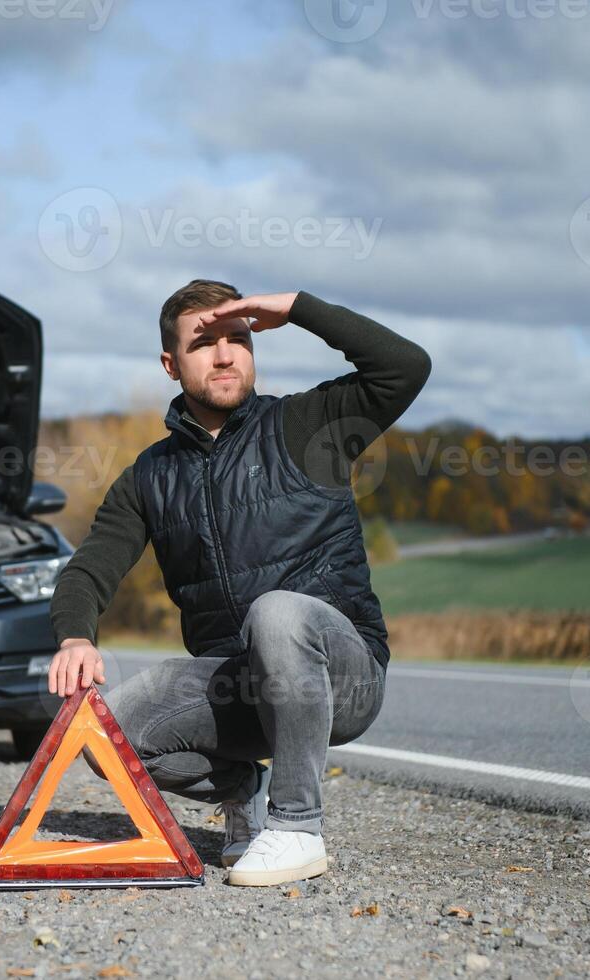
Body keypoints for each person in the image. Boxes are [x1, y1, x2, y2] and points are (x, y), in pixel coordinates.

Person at [45, 280, 431, 887]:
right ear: (171, 365)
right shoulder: (150, 476)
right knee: (103, 737)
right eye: (204, 343)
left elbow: (406, 367)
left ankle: (297, 827)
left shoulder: (306, 424)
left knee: (277, 613)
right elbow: (91, 567)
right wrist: (74, 638)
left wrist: (299, 309)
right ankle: (242, 791)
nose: (225, 355)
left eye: (238, 339)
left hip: (339, 676)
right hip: (238, 690)